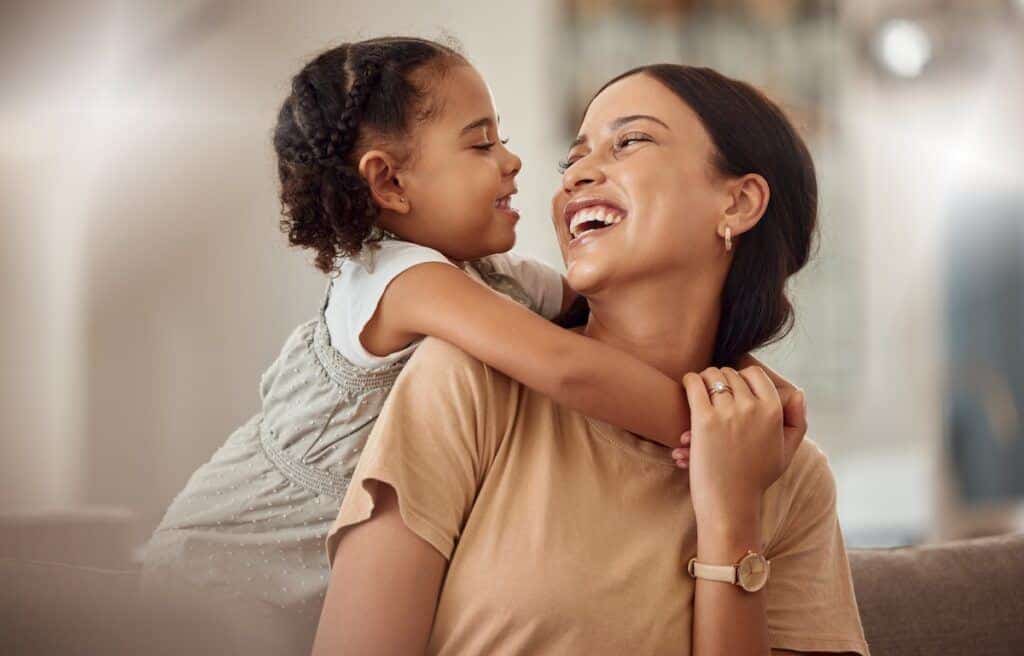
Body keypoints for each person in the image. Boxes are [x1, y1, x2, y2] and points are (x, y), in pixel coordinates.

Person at [140, 38, 792, 655]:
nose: (513, 162)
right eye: (480, 144)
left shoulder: (497, 283)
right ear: (390, 183)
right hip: (215, 577)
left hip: (308, 585)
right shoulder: (401, 280)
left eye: (502, 138)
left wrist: (747, 378)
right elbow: (568, 367)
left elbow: (612, 318)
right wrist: (721, 430)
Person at [314, 64, 869, 655]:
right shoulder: (467, 381)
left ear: (737, 202)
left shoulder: (792, 476)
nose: (576, 174)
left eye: (629, 141)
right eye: (571, 159)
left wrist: (733, 517)